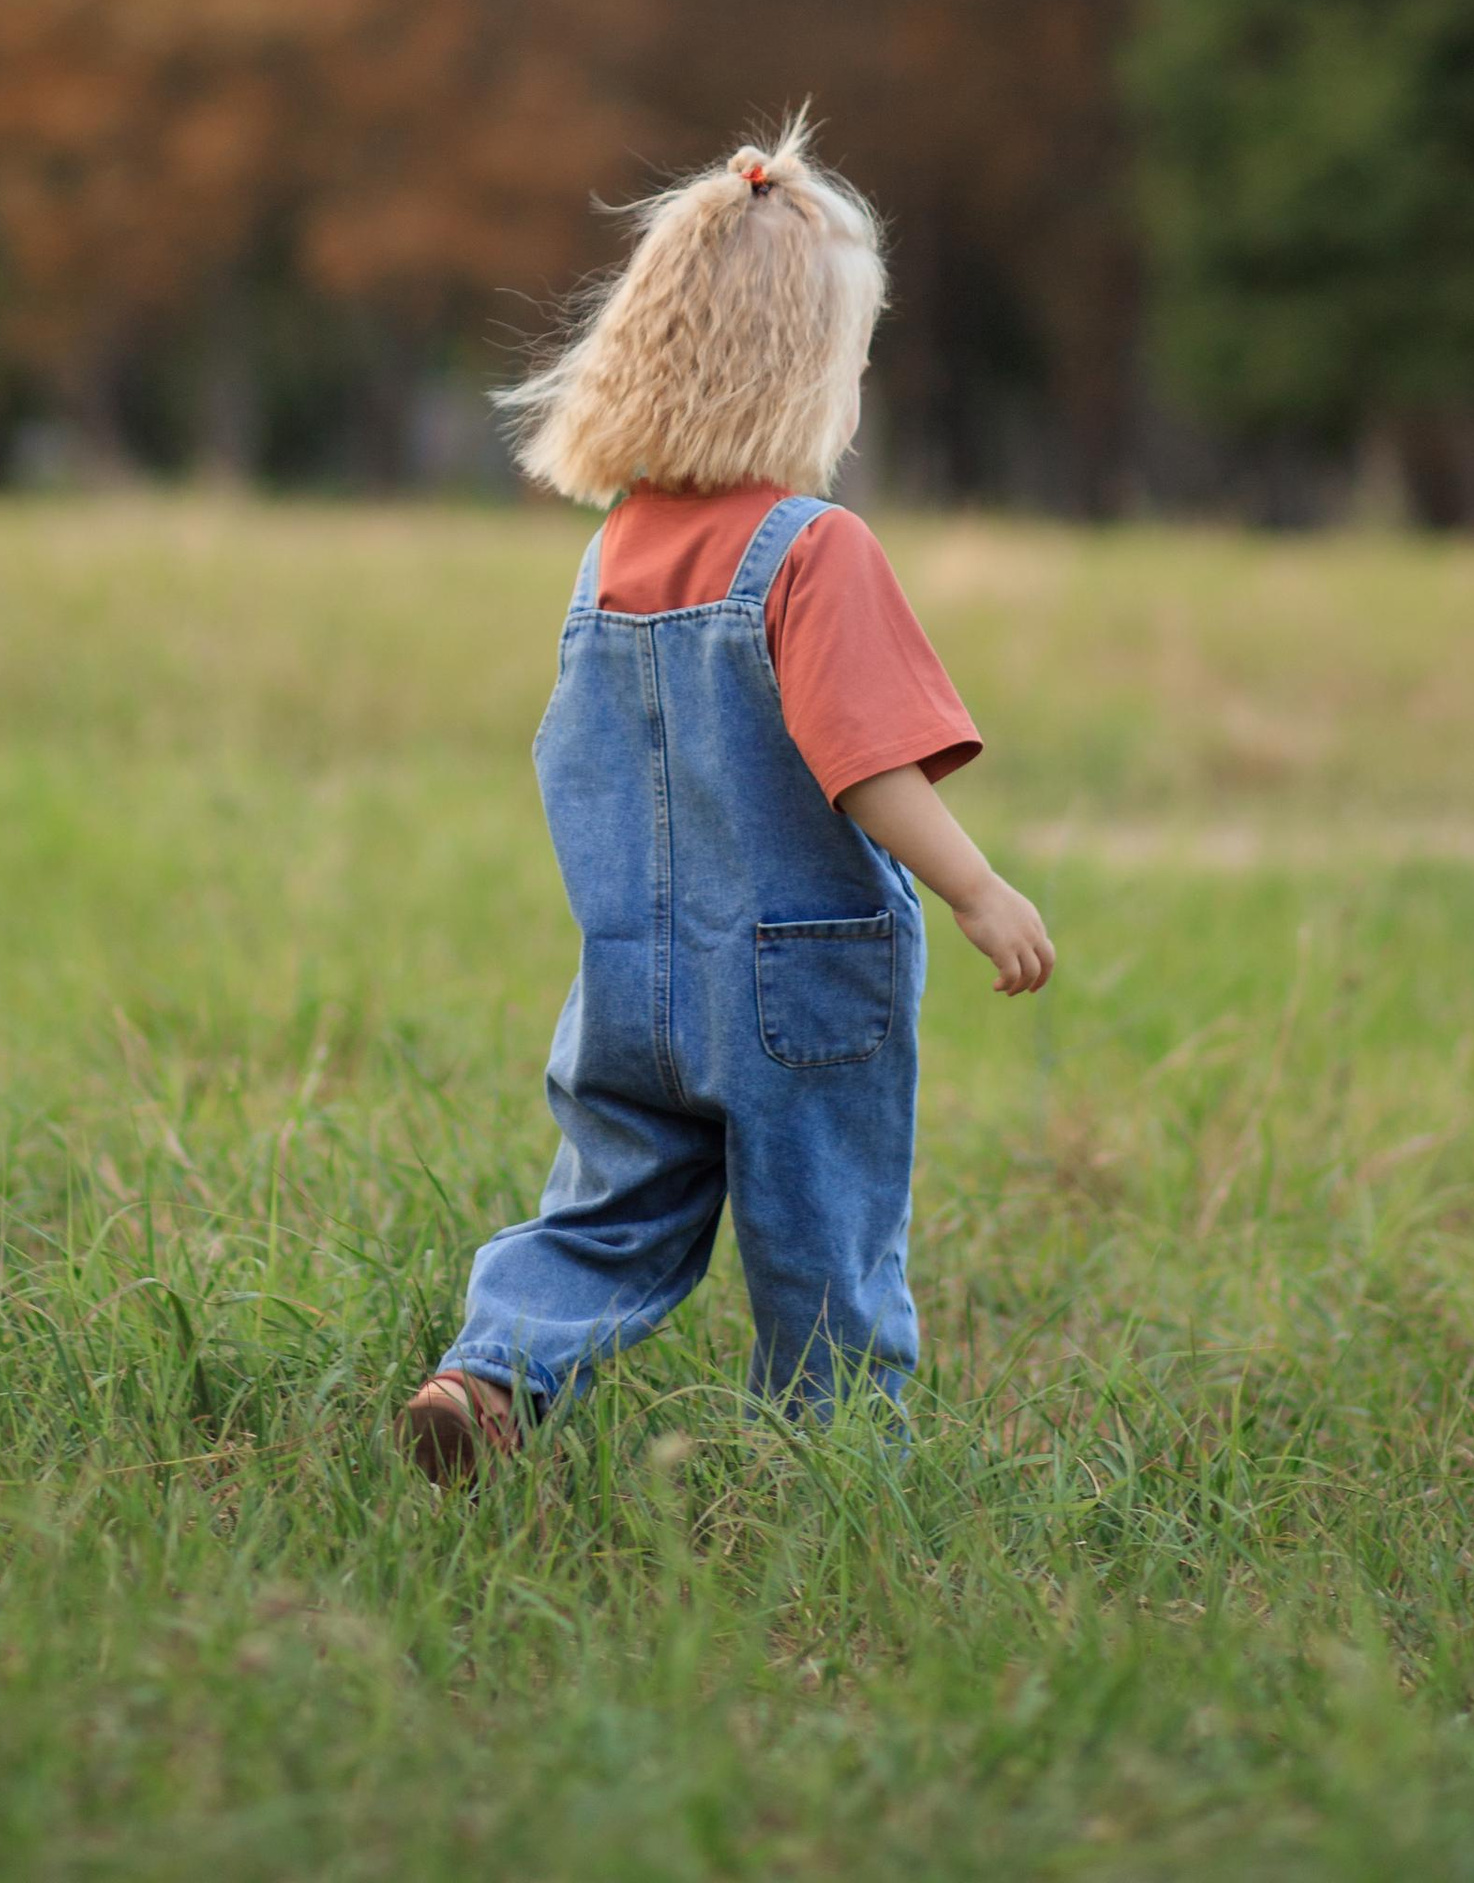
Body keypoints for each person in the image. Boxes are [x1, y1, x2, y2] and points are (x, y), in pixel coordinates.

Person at [398, 125, 1054, 1479]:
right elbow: (867, 762)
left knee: (607, 1214)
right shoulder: (814, 551)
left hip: (631, 982)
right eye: (857, 358)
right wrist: (979, 890)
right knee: (829, 1242)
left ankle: (489, 1377)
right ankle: (831, 1475)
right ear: (809, 372)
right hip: (800, 992)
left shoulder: (609, 554)